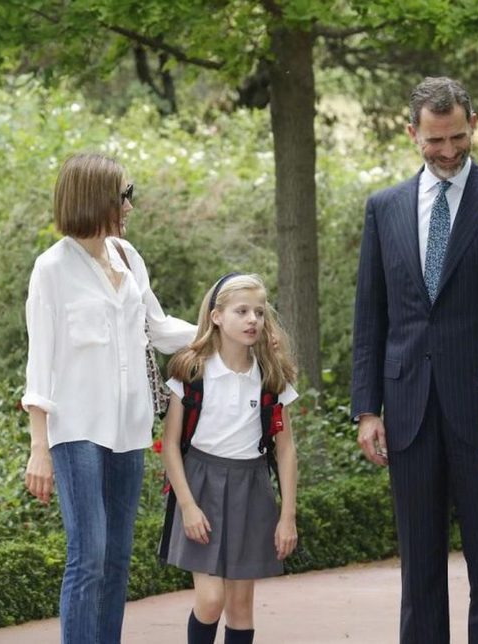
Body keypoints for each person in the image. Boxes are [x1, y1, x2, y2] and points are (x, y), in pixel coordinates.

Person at [351, 76, 478, 644]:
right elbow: (370, 317)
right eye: (435, 140)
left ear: (474, 123)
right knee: (418, 565)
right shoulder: (383, 208)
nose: (448, 151)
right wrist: (367, 408)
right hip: (408, 408)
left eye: (458, 137)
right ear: (411, 131)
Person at [22, 152, 196, 643]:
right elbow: (40, 363)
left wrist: (216, 328)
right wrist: (39, 446)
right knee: (89, 554)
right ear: (98, 198)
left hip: (129, 428)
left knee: (118, 557)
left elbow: (159, 329)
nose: (131, 206)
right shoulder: (51, 269)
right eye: (126, 195)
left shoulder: (128, 257)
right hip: (76, 430)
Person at [162, 273, 299, 644]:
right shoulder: (191, 371)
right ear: (217, 316)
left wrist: (287, 515)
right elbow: (170, 444)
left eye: (258, 312)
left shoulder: (272, 376)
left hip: (251, 489)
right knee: (210, 601)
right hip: (200, 487)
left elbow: (285, 449)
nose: (253, 319)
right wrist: (187, 506)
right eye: (242, 311)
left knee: (240, 608)